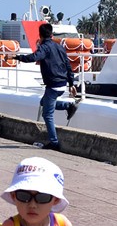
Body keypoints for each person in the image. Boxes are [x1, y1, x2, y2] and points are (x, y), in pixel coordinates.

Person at [7, 22, 79, 151]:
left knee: (47, 114)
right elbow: (68, 66)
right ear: (51, 34)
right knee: (43, 102)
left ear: (40, 35)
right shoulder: (59, 47)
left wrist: (15, 56)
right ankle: (68, 106)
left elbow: (33, 57)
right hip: (62, 84)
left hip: (53, 85)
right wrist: (71, 84)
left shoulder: (44, 47)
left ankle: (54, 142)